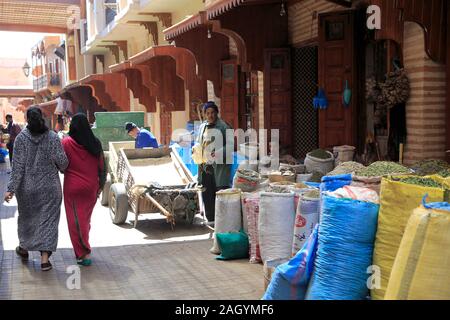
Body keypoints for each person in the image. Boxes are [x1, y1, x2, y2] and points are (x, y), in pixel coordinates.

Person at [4, 107, 68, 271]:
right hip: (50, 188)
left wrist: (11, 189)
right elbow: (63, 163)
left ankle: (24, 248)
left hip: (27, 189)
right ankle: (44, 260)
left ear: (26, 119)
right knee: (48, 222)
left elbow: (17, 168)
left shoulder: (21, 139)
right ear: (42, 118)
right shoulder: (53, 138)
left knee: (27, 219)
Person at [62, 113, 106, 266]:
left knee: (75, 222)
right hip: (91, 188)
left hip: (72, 188)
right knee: (84, 219)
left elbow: (62, 166)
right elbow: (102, 166)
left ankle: (83, 253)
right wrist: (100, 186)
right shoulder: (95, 143)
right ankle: (84, 245)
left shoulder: (66, 143)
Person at [195, 101, 232, 225]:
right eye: (208, 113)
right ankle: (210, 219)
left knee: (220, 191)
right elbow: (198, 142)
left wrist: (218, 153)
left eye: (212, 113)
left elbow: (231, 146)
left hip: (220, 166)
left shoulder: (224, 126)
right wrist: (195, 150)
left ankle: (223, 221)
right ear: (205, 114)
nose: (210, 115)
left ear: (216, 113)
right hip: (205, 166)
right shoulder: (202, 127)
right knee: (207, 191)